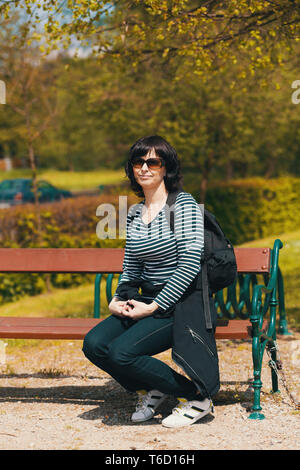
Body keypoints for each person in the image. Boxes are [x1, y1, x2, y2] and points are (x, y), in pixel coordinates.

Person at [82, 135, 219, 428]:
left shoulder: (184, 206)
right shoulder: (133, 213)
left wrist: (154, 306)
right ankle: (151, 389)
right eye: (138, 161)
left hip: (181, 303)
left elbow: (189, 265)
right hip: (146, 298)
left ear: (165, 167)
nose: (144, 167)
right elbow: (131, 265)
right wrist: (117, 299)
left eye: (152, 161)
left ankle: (197, 397)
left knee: (121, 354)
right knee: (94, 344)